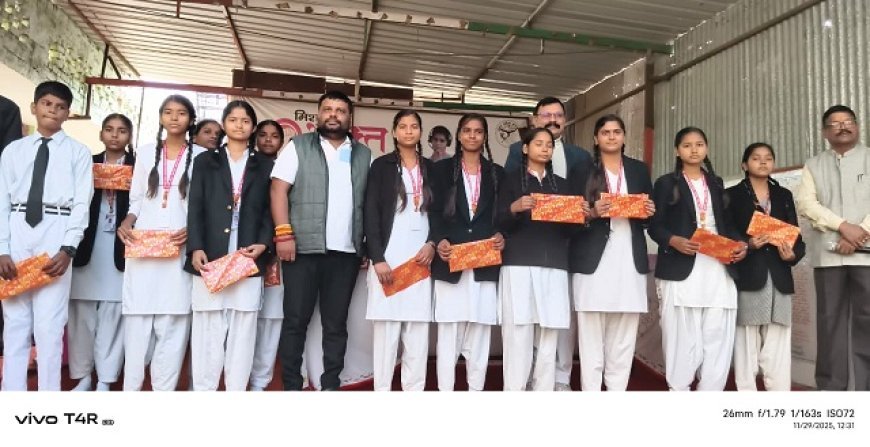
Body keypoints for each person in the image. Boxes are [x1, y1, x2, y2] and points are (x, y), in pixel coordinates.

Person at [270, 91, 372, 391]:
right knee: (295, 321)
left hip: (346, 254)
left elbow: (368, 203)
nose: (333, 115)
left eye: (340, 110)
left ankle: (330, 384)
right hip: (302, 249)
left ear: (349, 117)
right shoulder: (298, 146)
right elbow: (278, 190)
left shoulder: (364, 154)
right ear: (318, 114)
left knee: (336, 324)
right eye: (328, 109)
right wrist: (283, 234)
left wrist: (364, 244)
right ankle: (292, 384)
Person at [0, 81, 94, 391]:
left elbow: (81, 204)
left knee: (49, 325)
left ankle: (47, 399)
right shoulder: (13, 151)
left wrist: (68, 248)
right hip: (17, 226)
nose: (52, 110)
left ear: (68, 113)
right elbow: (1, 201)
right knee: (15, 322)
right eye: (47, 103)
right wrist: (2, 249)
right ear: (34, 107)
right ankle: (12, 397)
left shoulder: (78, 153)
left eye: (60, 107)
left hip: (57, 228)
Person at [117, 95, 206, 391]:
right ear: (160, 117)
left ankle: (163, 393)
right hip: (143, 242)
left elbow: (203, 203)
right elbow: (137, 198)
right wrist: (128, 221)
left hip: (179, 244)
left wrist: (193, 230)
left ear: (191, 120)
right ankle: (131, 390)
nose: (174, 118)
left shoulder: (202, 156)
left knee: (173, 319)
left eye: (181, 113)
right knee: (137, 319)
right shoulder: (145, 153)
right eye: (168, 112)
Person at [649, 127, 748, 391]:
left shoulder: (715, 183)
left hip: (717, 264)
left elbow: (728, 224)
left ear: (706, 148)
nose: (694, 150)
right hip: (682, 266)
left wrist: (740, 243)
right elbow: (655, 226)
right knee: (682, 338)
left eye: (699, 144)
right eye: (687, 145)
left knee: (717, 335)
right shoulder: (666, 183)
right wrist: (673, 240)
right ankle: (679, 391)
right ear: (677, 151)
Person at [503, 96, 590, 389]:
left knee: (551, 329)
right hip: (519, 261)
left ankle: (548, 387)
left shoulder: (564, 184)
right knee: (519, 330)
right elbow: (498, 220)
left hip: (555, 261)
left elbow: (570, 231)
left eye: (548, 145)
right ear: (525, 147)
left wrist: (580, 216)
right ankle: (516, 388)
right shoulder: (510, 180)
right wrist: (514, 208)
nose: (544, 148)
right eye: (538, 143)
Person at [186, 100, 273, 391]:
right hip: (211, 251)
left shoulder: (266, 164)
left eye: (245, 120)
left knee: (244, 324)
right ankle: (205, 390)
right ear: (224, 124)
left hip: (247, 252)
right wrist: (196, 246)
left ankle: (236, 390)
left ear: (253, 126)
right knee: (207, 325)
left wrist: (264, 243)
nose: (239, 125)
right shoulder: (205, 161)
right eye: (233, 119)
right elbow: (195, 206)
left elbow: (270, 210)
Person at [569, 114, 654, 391]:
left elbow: (649, 217)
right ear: (596, 138)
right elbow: (569, 216)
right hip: (592, 259)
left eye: (617, 131)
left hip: (629, 258)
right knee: (591, 337)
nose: (611, 136)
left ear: (624, 137)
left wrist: (649, 211)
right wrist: (592, 213)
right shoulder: (582, 170)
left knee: (624, 335)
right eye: (605, 132)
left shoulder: (638, 170)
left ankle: (617, 393)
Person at [796, 105, 870, 391]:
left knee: (868, 322)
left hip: (867, 257)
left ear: (857, 126)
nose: (842, 126)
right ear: (825, 132)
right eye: (835, 123)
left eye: (848, 121)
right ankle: (831, 390)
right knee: (829, 325)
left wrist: (860, 233)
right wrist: (843, 226)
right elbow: (806, 204)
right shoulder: (813, 165)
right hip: (828, 256)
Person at [430, 113, 504, 391]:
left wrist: (502, 235)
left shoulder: (497, 173)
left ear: (484, 137)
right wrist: (439, 239)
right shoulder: (440, 170)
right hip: (451, 259)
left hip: (484, 261)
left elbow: (503, 214)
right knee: (448, 335)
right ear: (459, 135)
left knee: (480, 334)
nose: (473, 135)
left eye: (478, 131)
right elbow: (433, 211)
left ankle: (475, 391)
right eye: (467, 130)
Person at [364, 110, 436, 391]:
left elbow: (441, 213)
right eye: (403, 126)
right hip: (389, 256)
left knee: (417, 332)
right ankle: (382, 390)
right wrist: (377, 258)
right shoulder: (381, 166)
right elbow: (370, 212)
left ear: (420, 132)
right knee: (387, 331)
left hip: (420, 257)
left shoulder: (431, 168)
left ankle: (413, 391)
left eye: (414, 126)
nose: (408, 131)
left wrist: (432, 243)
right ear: (394, 132)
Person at [727, 142, 805, 391]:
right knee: (746, 342)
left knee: (778, 342)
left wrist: (792, 255)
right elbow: (726, 234)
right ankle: (747, 397)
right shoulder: (732, 195)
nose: (763, 162)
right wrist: (747, 243)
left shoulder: (783, 195)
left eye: (768, 158)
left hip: (780, 276)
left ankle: (779, 397)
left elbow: (796, 237)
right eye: (756, 158)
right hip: (749, 274)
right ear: (744, 165)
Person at [68, 113, 136, 391]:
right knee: (80, 315)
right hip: (88, 245)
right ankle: (83, 376)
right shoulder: (87, 162)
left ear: (129, 136)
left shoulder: (139, 166)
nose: (115, 135)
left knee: (113, 314)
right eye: (109, 129)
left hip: (121, 247)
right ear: (101, 134)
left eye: (121, 130)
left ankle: (106, 379)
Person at [249, 119, 285, 391]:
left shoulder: (287, 167)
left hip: (279, 251)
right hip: (247, 250)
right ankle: (238, 374)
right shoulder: (245, 167)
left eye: (274, 136)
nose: (268, 140)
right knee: (244, 318)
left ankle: (260, 380)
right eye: (263, 135)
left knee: (271, 317)